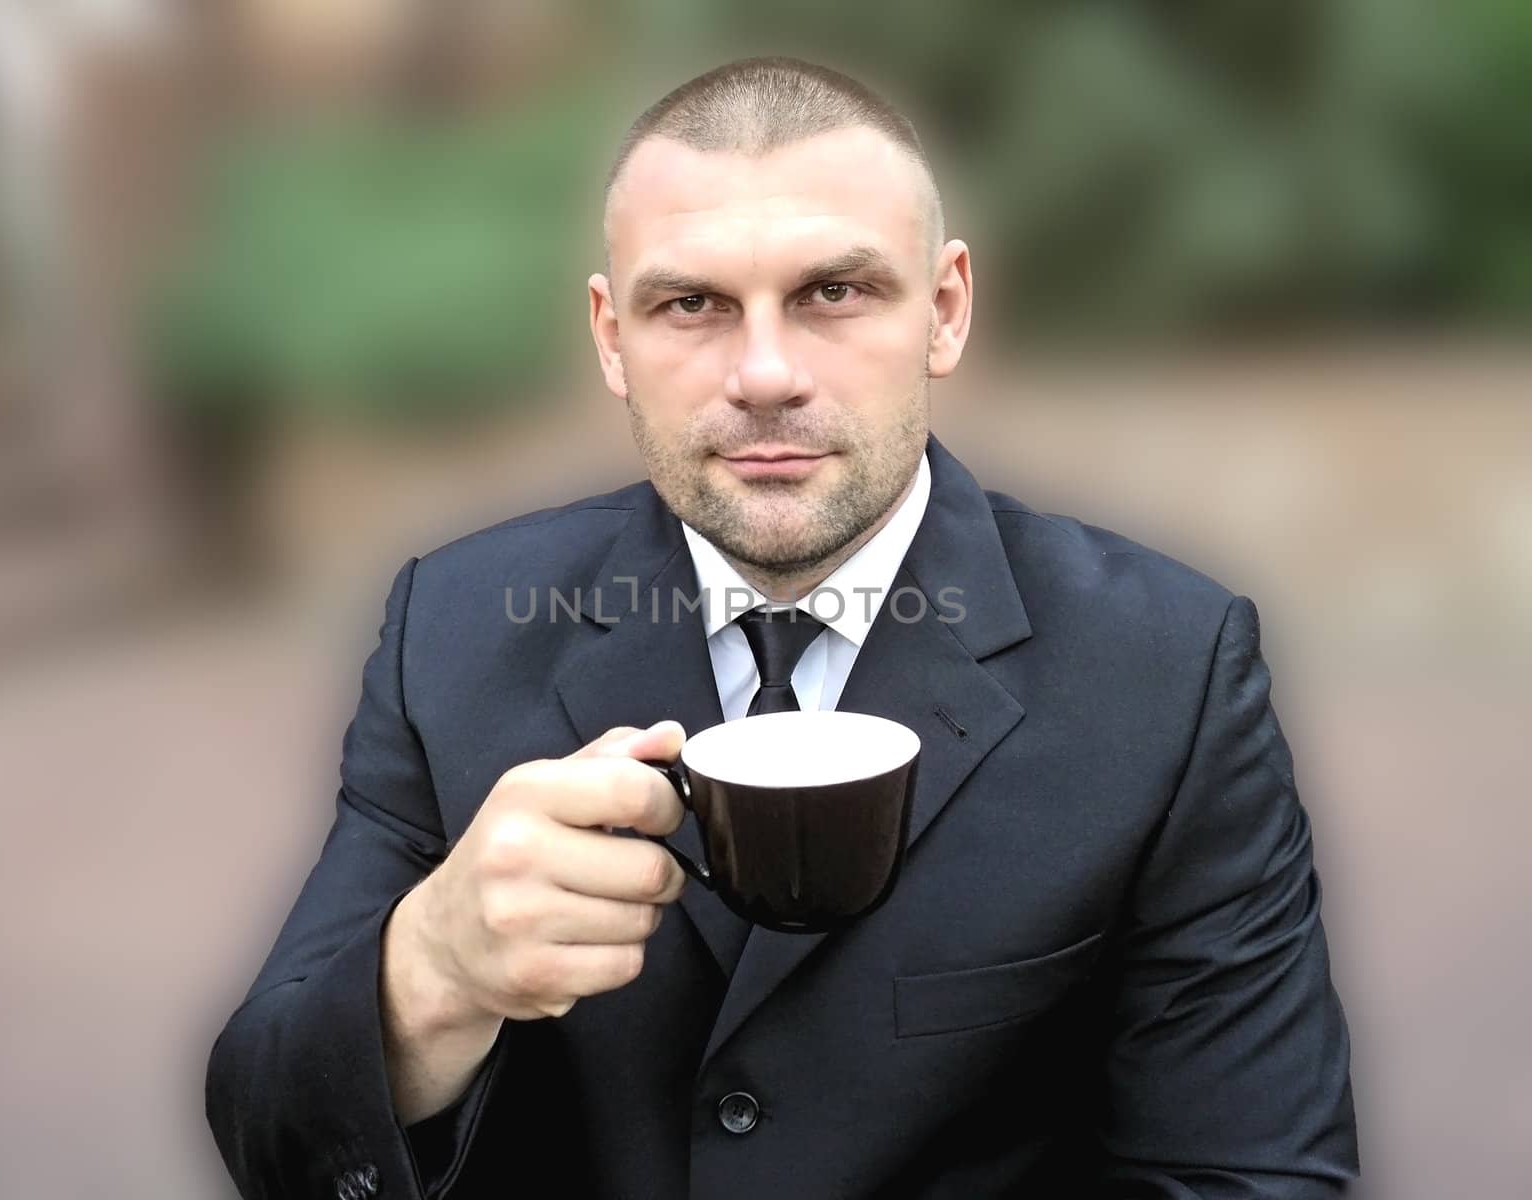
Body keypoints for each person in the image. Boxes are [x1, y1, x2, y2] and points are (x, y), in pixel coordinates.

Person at [205, 57, 1358, 1199]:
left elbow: (1247, 1176)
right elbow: (271, 1135)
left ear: (945, 311)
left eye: (833, 293)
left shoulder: (1165, 672)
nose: (763, 373)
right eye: (690, 304)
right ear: (611, 338)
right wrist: (432, 972)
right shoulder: (448, 632)